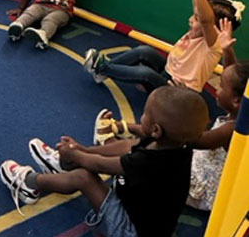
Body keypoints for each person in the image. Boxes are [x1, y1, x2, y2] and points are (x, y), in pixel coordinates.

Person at [0, 86, 209, 237]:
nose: (141, 117)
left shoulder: (151, 162)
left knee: (84, 177)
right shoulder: (173, 144)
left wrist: (77, 156)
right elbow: (127, 147)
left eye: (145, 114)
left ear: (156, 129)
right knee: (99, 157)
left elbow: (101, 165)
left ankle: (28, 184)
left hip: (134, 234)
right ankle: (64, 169)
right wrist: (84, 150)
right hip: (139, 208)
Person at [93, 59, 249, 212]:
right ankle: (123, 128)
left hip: (198, 188)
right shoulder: (239, 114)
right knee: (162, 136)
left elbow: (194, 138)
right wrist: (227, 50)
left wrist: (185, 107)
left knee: (166, 137)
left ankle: (110, 144)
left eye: (221, 86)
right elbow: (236, 82)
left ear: (236, 100)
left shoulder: (232, 129)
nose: (217, 89)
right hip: (196, 162)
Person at [83, 0, 244, 92]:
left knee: (145, 73)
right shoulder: (199, 30)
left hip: (177, 91)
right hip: (168, 71)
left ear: (213, 28)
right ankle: (105, 71)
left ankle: (103, 68)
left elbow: (206, 19)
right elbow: (199, 8)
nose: (191, 18)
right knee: (144, 51)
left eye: (196, 18)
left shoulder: (212, 44)